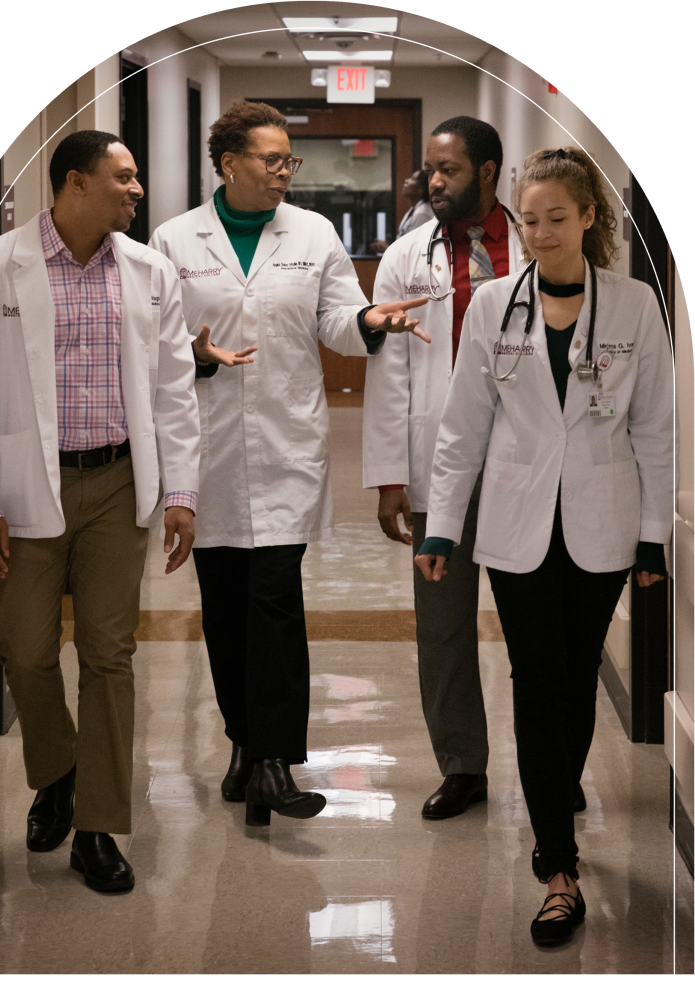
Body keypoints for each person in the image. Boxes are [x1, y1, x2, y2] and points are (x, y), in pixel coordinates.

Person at [415, 147, 674, 943]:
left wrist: (655, 541)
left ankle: (555, 790)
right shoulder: (495, 305)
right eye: (529, 220)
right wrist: (441, 526)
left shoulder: (634, 306)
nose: (539, 234)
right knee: (536, 679)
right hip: (518, 526)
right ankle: (557, 864)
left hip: (603, 521)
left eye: (556, 219)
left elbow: (657, 431)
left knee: (572, 679)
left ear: (591, 217)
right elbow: (464, 430)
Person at [149, 100, 428, 827]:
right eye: (272, 159)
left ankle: (274, 761)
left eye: (288, 161)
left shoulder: (312, 232)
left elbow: (336, 320)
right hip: (205, 450)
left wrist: (370, 319)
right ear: (229, 162)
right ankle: (245, 744)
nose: (284, 172)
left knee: (274, 600)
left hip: (285, 448)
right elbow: (153, 344)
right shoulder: (175, 240)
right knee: (225, 610)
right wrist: (194, 356)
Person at [0, 130, 202, 893]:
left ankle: (97, 826)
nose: (137, 189)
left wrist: (181, 491)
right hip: (25, 487)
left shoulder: (150, 272)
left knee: (107, 654)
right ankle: (57, 769)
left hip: (121, 485)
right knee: (21, 647)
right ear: (76, 183)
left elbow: (174, 391)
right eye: (123, 177)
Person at [363, 116, 527, 820]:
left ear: (488, 171)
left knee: (535, 629)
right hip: (442, 467)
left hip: (527, 467)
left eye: (448, 170)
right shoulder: (408, 254)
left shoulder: (533, 245)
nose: (433, 181)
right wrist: (390, 476)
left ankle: (551, 761)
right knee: (444, 627)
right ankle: (463, 766)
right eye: (430, 169)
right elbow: (391, 373)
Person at [371, 169, 433, 254]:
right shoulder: (413, 209)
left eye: (412, 179)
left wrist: (387, 249)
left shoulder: (422, 213)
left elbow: (415, 250)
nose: (406, 181)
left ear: (421, 188)